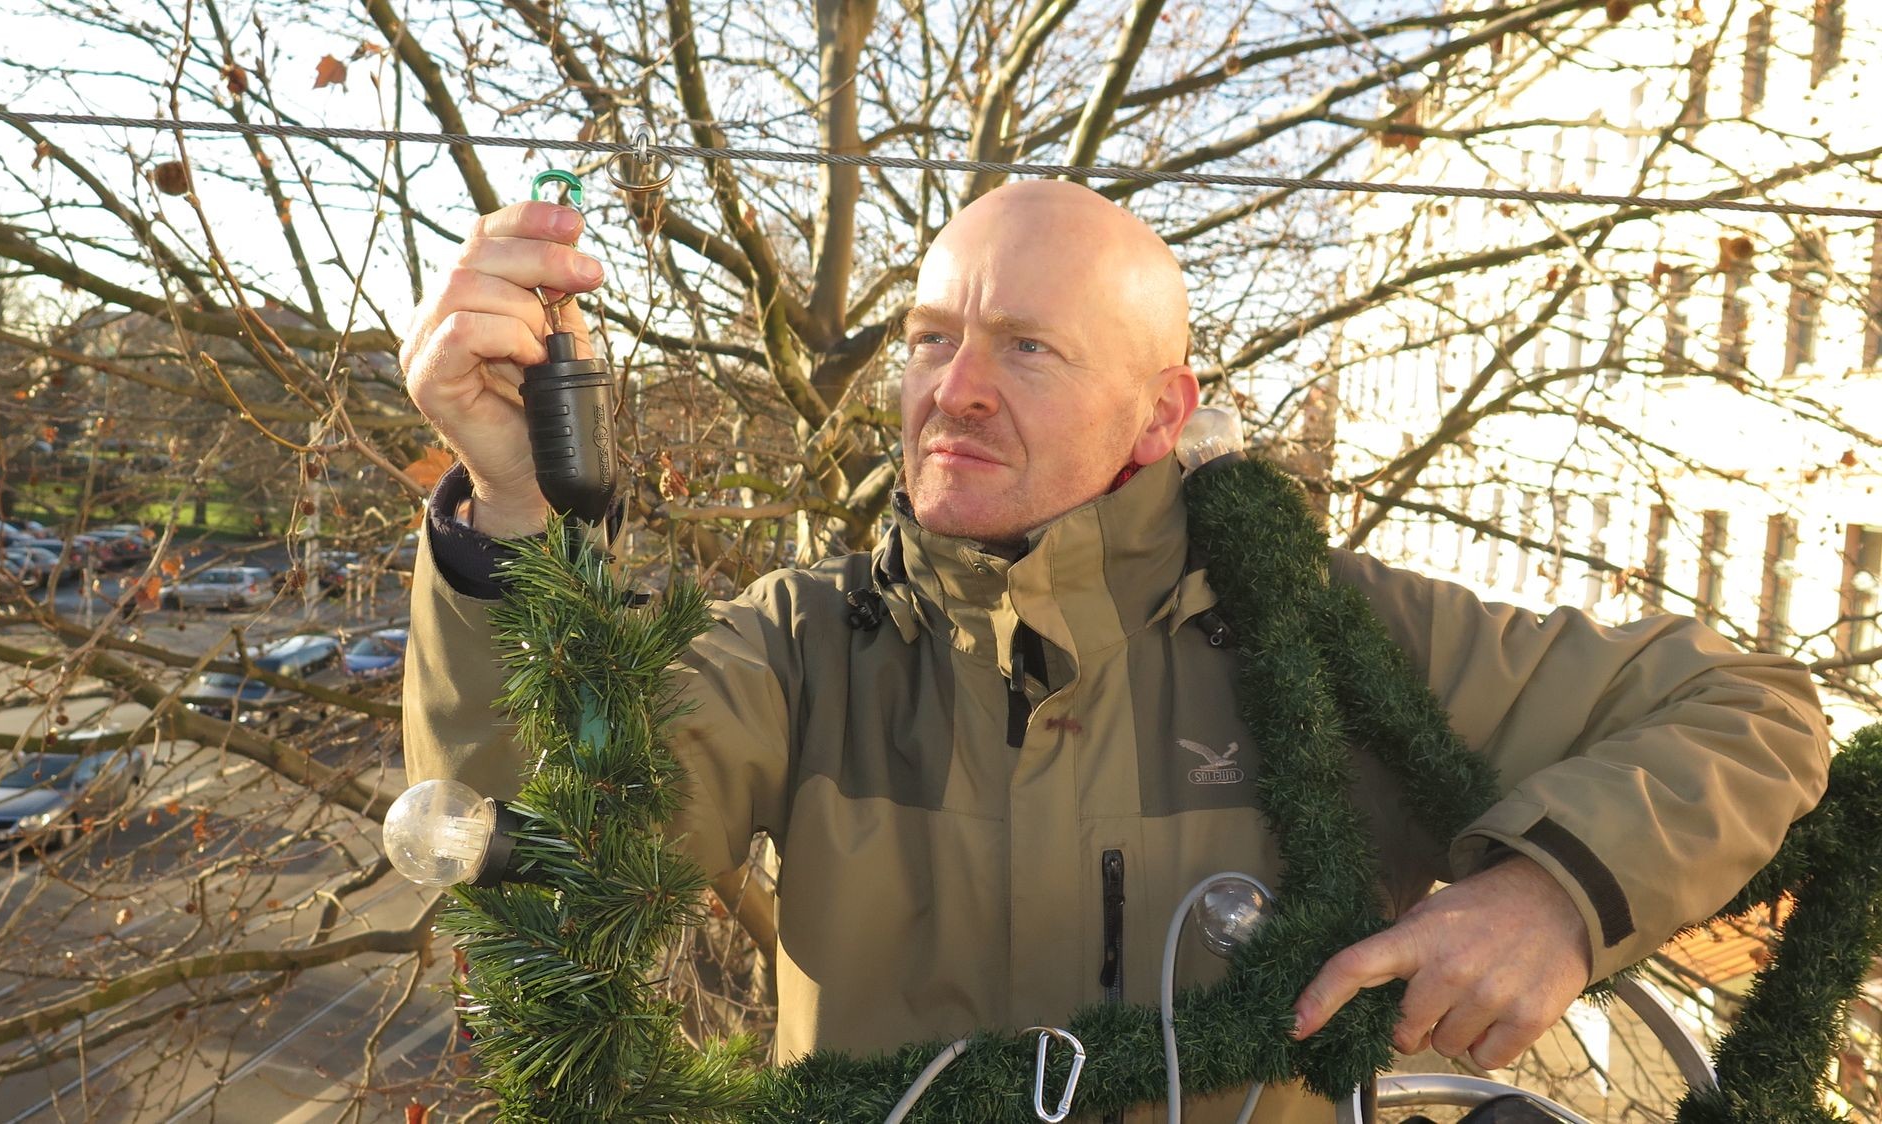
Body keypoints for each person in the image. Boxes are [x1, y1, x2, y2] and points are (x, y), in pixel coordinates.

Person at [396, 180, 1830, 1121]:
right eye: (930, 335)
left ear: (1160, 413)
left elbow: (1751, 709)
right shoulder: (805, 645)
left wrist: (1553, 897)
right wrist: (513, 512)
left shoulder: (1337, 637)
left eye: (1027, 349)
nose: (951, 391)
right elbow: (547, 847)